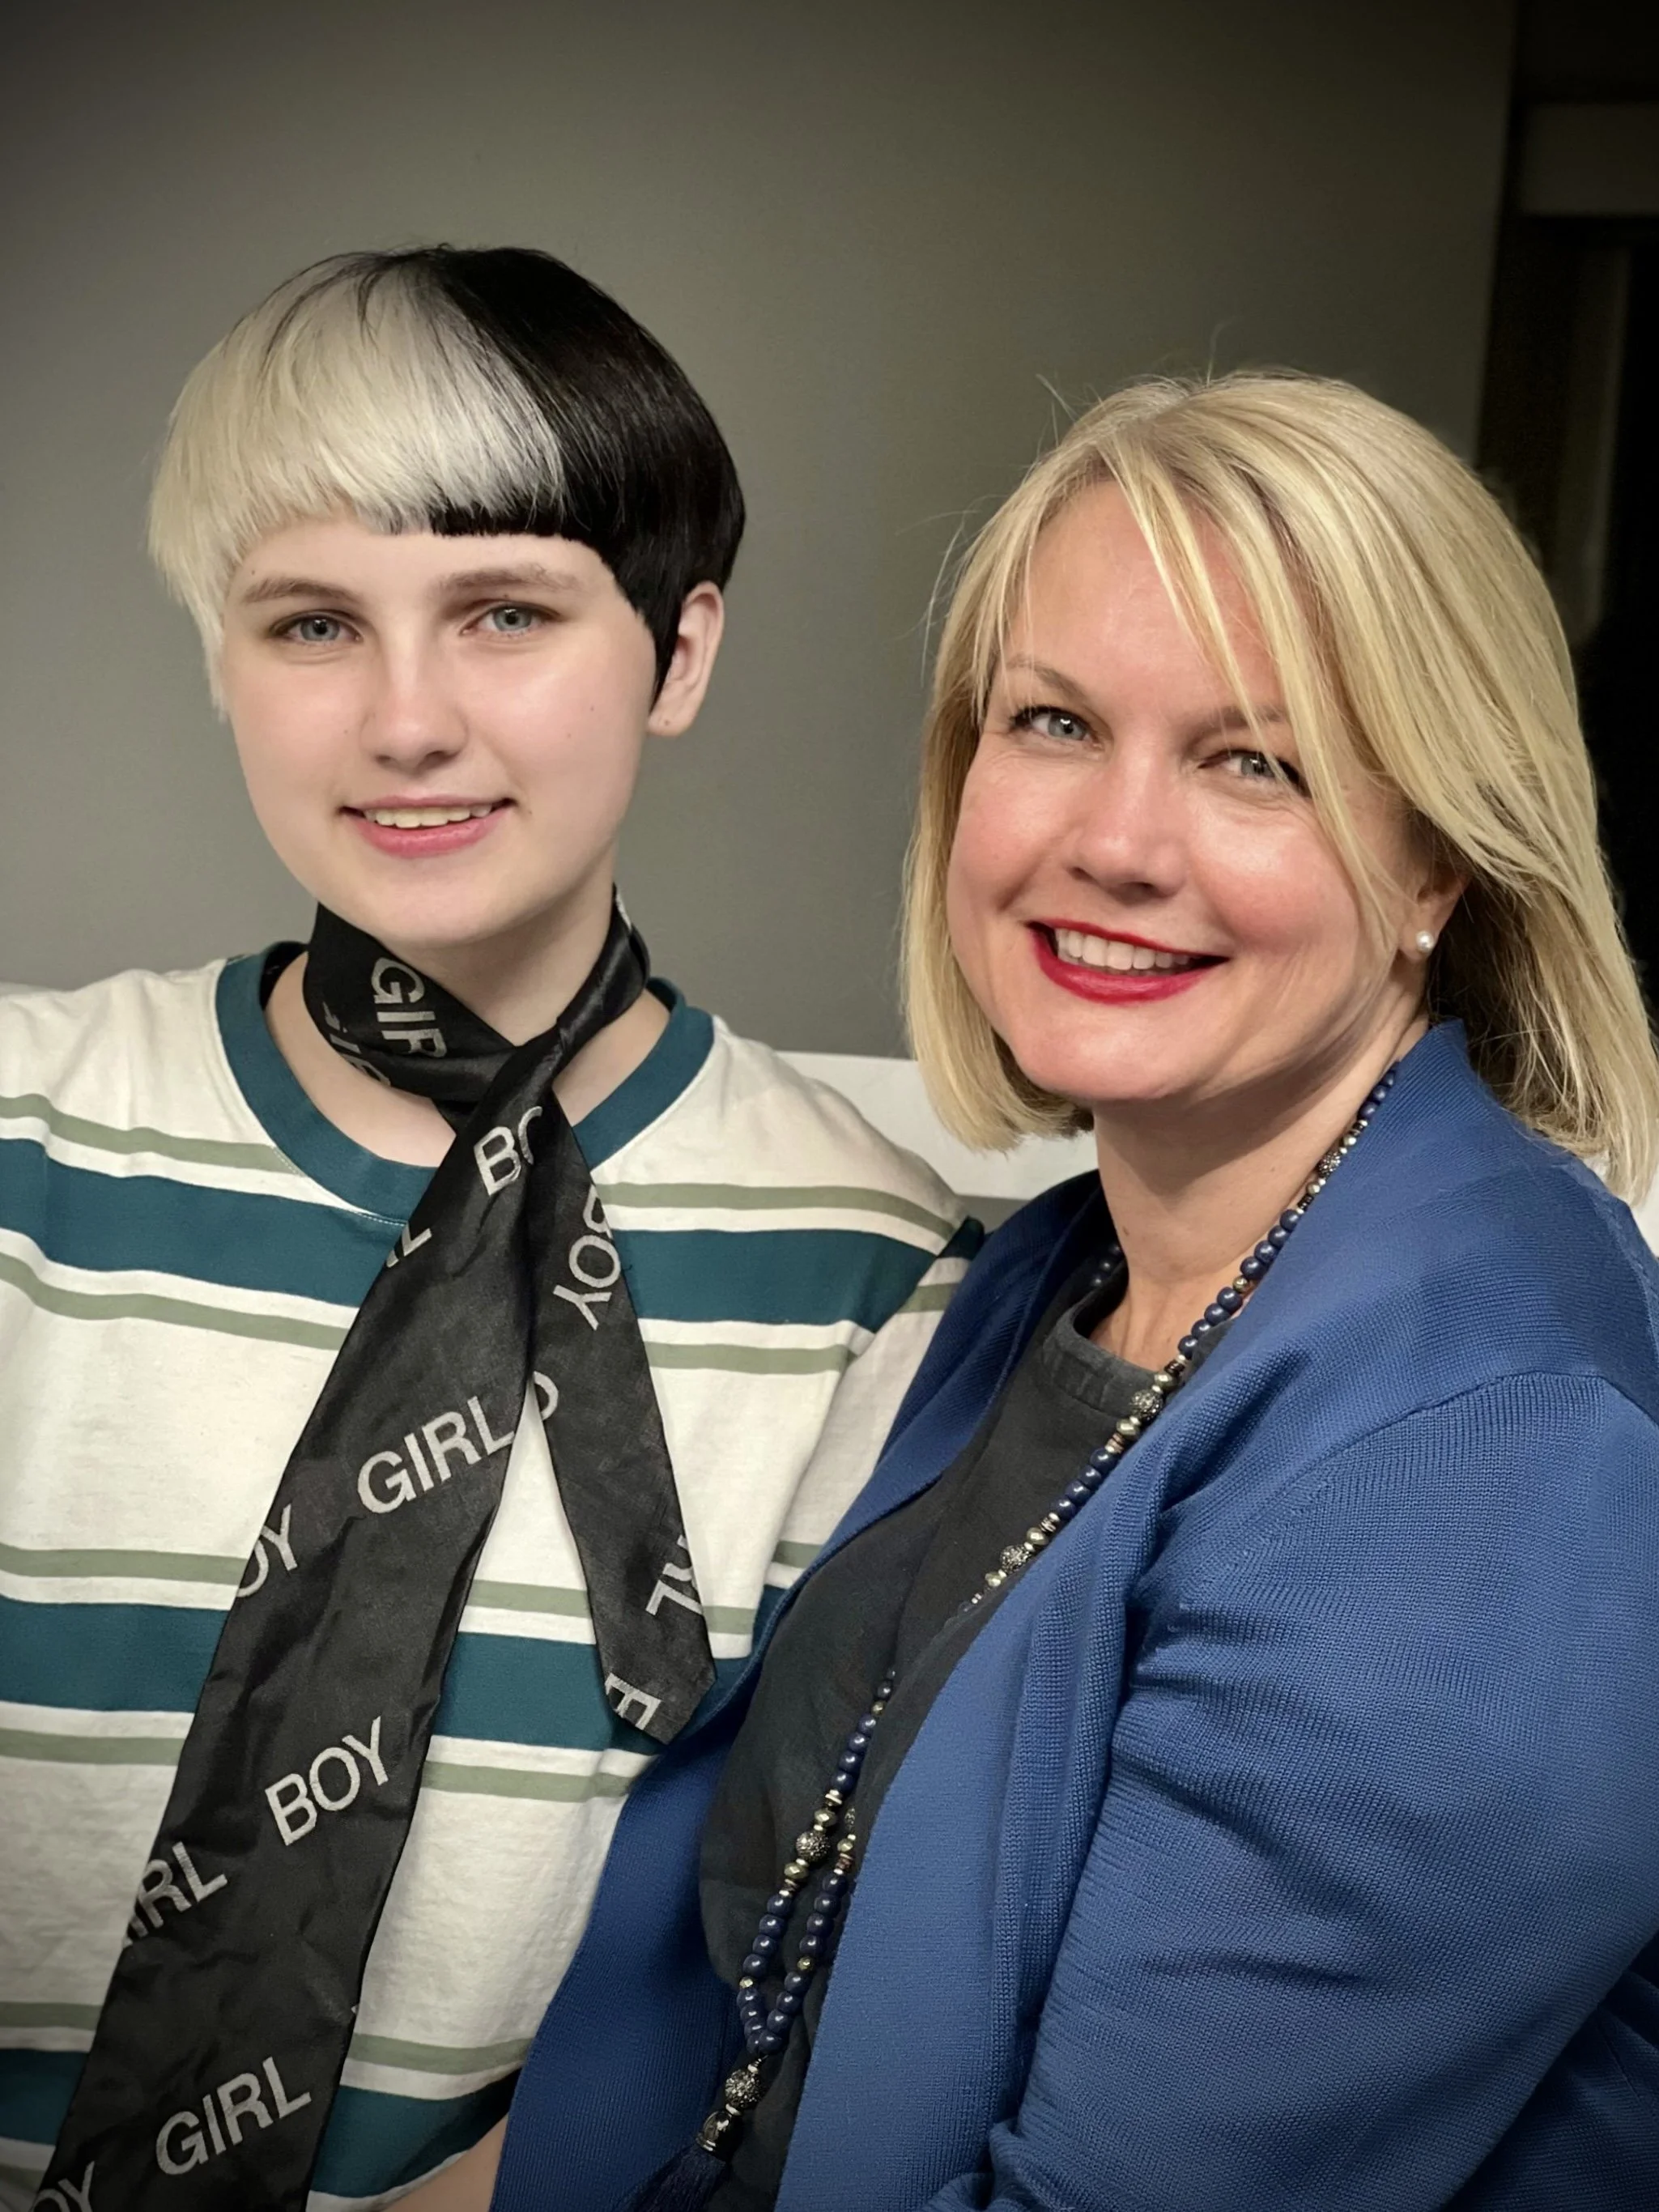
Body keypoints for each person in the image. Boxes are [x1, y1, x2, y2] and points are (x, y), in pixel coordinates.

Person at [447, 370, 1659, 2211]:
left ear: (1434, 856)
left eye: (1255, 759)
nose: (1114, 841)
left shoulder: (1489, 1460)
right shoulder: (1056, 1277)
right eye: (1055, 722)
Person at [0, 247, 977, 2211]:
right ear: (218, 657)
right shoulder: (23, 1139)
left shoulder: (883, 1269)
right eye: (308, 623)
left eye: (506, 608)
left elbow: (788, 1957)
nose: (404, 717)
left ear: (681, 654)